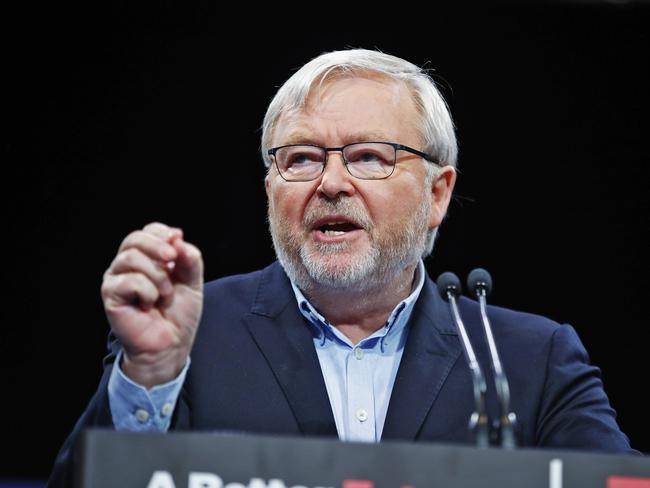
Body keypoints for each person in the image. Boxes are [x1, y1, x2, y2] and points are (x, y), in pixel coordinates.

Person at [48, 48, 635, 487]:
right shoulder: (188, 337)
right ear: (269, 189)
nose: (330, 184)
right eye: (300, 159)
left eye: (368, 158)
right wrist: (150, 374)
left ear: (437, 194)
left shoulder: (530, 360)